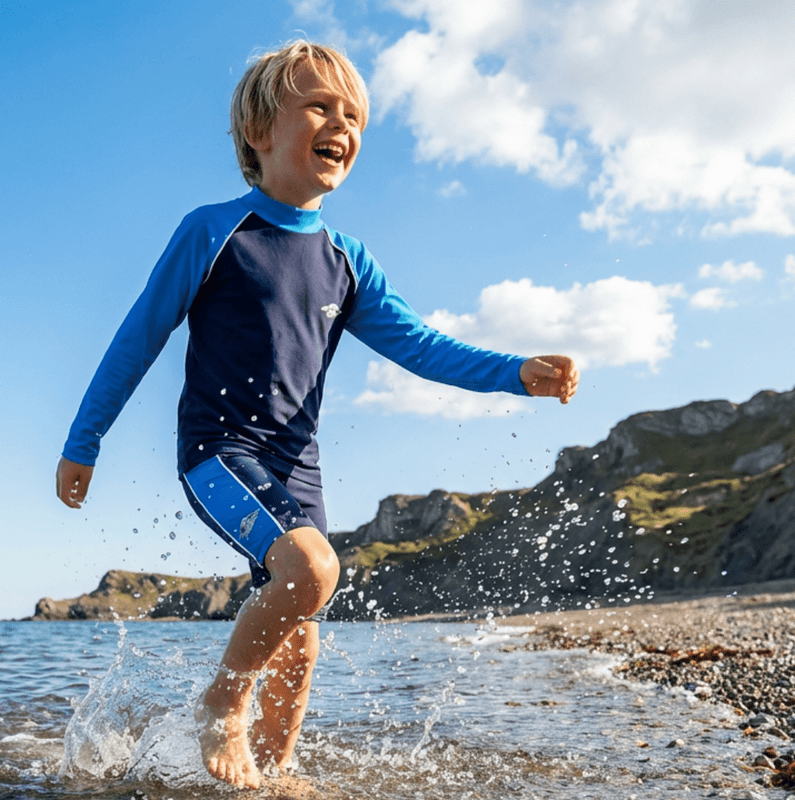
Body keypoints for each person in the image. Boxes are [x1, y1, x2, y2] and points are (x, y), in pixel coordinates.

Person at [55, 40, 579, 792]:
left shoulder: (347, 258)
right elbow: (138, 336)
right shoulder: (213, 232)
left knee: (300, 641)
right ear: (260, 133)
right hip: (219, 451)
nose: (342, 124)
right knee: (313, 570)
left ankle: (276, 776)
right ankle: (222, 702)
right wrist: (85, 441)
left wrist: (514, 372)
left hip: (298, 467)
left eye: (354, 115)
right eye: (319, 106)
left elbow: (418, 346)